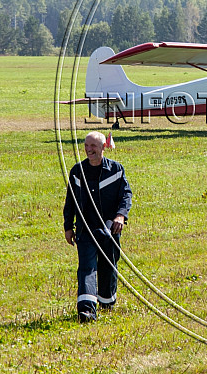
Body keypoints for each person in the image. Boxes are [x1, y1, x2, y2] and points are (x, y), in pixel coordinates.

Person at [63, 131, 132, 323]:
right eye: (86, 145)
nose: (88, 149)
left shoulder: (116, 170)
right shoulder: (77, 171)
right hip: (85, 230)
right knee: (86, 268)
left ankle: (107, 302)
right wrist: (68, 226)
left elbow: (126, 196)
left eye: (93, 146)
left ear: (103, 147)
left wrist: (120, 216)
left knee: (108, 266)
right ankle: (86, 311)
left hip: (109, 229)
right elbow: (70, 201)